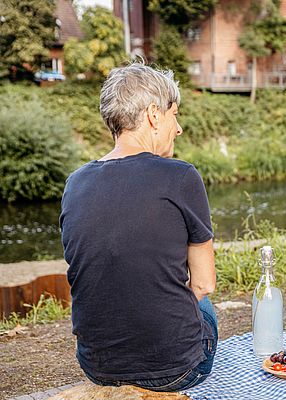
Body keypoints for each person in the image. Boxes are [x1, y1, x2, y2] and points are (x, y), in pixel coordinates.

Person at [60, 63, 218, 391]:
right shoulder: (181, 176)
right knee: (206, 309)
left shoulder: (74, 184)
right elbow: (203, 284)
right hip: (176, 370)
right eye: (175, 114)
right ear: (153, 115)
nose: (179, 129)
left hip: (97, 366)